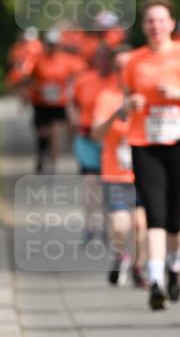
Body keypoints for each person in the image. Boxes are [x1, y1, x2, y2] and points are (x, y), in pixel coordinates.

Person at [123, 0, 180, 310]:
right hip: (145, 143)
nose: (156, 25)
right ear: (144, 26)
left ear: (171, 24)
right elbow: (126, 97)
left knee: (174, 216)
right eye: (150, 20)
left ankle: (175, 265)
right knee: (154, 213)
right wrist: (129, 104)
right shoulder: (134, 60)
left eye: (161, 19)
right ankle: (156, 280)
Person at [91, 48, 148, 289]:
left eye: (127, 67)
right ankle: (120, 255)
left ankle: (138, 268)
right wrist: (118, 113)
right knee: (119, 224)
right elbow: (96, 134)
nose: (123, 72)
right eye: (118, 68)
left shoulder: (146, 94)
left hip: (145, 171)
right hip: (115, 172)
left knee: (140, 226)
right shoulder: (106, 96)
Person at [68, 45, 117, 243]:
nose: (103, 62)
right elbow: (71, 102)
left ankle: (107, 224)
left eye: (107, 58)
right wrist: (73, 119)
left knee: (108, 184)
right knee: (90, 183)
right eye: (100, 58)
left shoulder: (118, 81)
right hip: (87, 137)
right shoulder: (84, 80)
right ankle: (90, 225)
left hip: (112, 141)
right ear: (95, 60)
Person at [20, 30, 86, 172]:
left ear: (59, 45)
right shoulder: (37, 59)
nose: (52, 47)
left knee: (55, 131)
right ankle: (41, 155)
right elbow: (27, 78)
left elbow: (79, 75)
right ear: (45, 45)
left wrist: (72, 91)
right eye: (49, 44)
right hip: (40, 101)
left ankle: (53, 161)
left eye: (54, 45)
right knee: (42, 133)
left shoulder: (66, 60)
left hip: (58, 102)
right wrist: (27, 93)